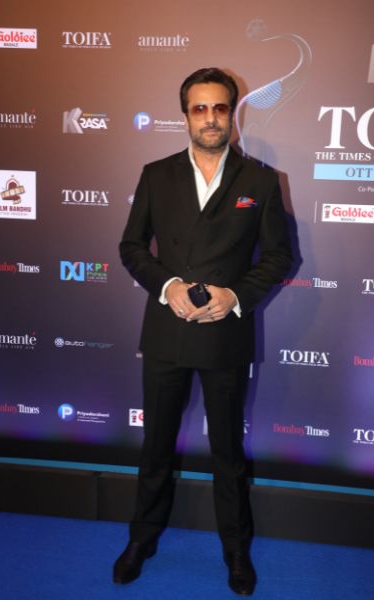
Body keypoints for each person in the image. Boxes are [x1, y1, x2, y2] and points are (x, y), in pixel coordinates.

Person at [116, 67, 293, 596]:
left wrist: (233, 296)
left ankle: (236, 550)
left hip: (224, 334)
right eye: (200, 108)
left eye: (220, 108)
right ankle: (141, 539)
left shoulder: (261, 180)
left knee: (228, 454)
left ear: (232, 115)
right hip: (167, 331)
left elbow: (279, 256)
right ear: (185, 116)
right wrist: (167, 284)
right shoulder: (156, 175)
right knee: (156, 447)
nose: (210, 118)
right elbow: (131, 246)